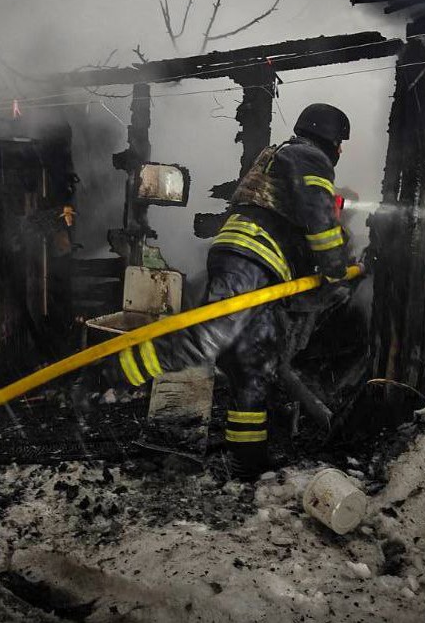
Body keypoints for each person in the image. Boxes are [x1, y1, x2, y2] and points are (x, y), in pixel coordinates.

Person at [114, 103, 355, 478]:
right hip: (251, 258)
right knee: (210, 337)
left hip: (254, 260)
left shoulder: (286, 155)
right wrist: (337, 266)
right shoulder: (310, 157)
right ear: (331, 139)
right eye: (340, 143)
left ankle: (249, 460)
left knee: (253, 363)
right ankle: (120, 368)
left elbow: (294, 221)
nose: (340, 151)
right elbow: (319, 218)